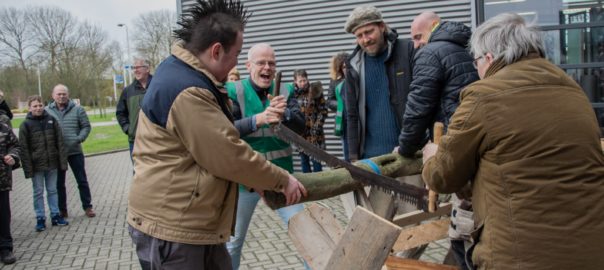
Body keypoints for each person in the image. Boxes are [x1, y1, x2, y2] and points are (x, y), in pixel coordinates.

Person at [126, 1, 306, 269]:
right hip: (173, 228)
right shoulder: (189, 91)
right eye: (237, 54)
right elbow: (227, 153)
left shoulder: (181, 72)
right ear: (216, 51)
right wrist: (281, 180)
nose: (237, 63)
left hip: (193, 221)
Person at [422, 13, 604, 270]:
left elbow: (442, 177)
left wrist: (432, 155)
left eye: (476, 63)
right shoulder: (573, 91)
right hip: (591, 252)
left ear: (488, 58)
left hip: (519, 258)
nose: (478, 71)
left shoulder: (483, 96)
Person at [397, 12, 479, 270]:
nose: (416, 45)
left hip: (456, 149)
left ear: (434, 27)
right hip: (475, 145)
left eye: (418, 37)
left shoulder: (431, 53)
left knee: (462, 230)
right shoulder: (468, 48)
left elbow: (419, 105)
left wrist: (406, 147)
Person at [225, 43, 308, 270]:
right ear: (248, 65)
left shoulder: (286, 90)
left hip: (283, 180)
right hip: (244, 182)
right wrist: (257, 120)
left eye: (272, 63)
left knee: (308, 239)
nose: (267, 67)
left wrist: (286, 113)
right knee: (232, 244)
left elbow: (302, 128)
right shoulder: (232, 91)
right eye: (261, 62)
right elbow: (223, 130)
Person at [19, 95, 69, 232]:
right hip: (36, 165)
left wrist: (62, 162)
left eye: (40, 105)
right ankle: (40, 217)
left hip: (52, 163)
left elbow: (60, 142)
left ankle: (55, 215)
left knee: (53, 190)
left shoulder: (51, 120)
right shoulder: (25, 125)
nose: (38, 108)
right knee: (38, 192)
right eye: (35, 106)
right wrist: (28, 168)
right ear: (29, 108)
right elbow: (23, 148)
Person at [46, 84, 95, 219]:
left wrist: (79, 138)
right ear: (53, 95)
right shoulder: (47, 111)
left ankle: (88, 206)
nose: (61, 96)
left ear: (68, 95)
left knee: (82, 180)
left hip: (75, 151)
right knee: (59, 184)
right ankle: (63, 210)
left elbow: (86, 126)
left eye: (64, 94)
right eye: (59, 94)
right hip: (57, 154)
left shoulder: (78, 110)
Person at [292, 70, 326, 173]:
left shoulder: (315, 91)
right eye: (300, 81)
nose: (303, 83)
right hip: (300, 134)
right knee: (304, 161)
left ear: (308, 79)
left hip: (314, 133)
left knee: (316, 161)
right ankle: (308, 188)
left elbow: (323, 111)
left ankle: (320, 185)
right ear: (295, 82)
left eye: (304, 80)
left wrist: (317, 127)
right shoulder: (293, 94)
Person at [116, 58, 152, 157]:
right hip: (136, 141)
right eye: (133, 68)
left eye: (138, 67)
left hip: (157, 139)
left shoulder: (158, 86)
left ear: (148, 69)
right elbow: (120, 113)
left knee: (160, 170)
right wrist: (128, 129)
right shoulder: (127, 91)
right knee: (138, 171)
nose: (135, 70)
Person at [0, 114, 20, 265]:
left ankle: (6, 249)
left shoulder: (4, 128)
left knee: (3, 215)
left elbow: (15, 145)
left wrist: (12, 156)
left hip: (1, 181)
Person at [326, 53, 350, 160]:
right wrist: (342, 105)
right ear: (339, 67)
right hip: (343, 121)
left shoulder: (357, 78)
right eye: (343, 67)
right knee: (347, 152)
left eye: (347, 66)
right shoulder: (335, 81)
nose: (346, 69)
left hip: (357, 120)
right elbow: (329, 101)